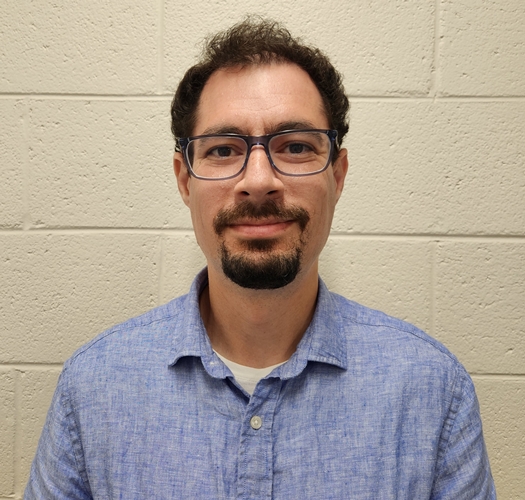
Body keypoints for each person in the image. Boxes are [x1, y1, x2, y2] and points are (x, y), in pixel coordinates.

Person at [25, 18, 496, 499]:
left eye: (295, 146)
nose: (258, 180)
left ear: (338, 175)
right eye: (223, 150)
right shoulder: (94, 387)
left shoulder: (432, 390)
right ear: (185, 180)